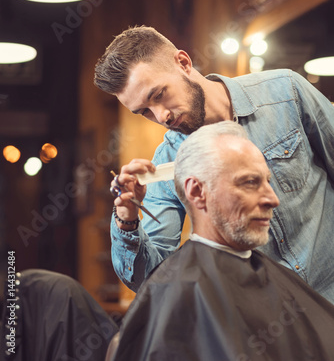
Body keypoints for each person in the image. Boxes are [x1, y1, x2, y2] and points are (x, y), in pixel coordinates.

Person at [94, 25, 334, 303]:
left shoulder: (285, 93)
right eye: (144, 111)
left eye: (159, 95)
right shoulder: (169, 161)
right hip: (273, 327)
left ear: (183, 63)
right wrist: (127, 218)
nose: (161, 116)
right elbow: (152, 277)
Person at [110, 123, 334, 361]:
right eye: (250, 183)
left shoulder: (278, 279)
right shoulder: (179, 292)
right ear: (197, 192)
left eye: (268, 182)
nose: (272, 199)